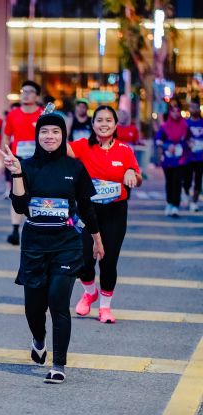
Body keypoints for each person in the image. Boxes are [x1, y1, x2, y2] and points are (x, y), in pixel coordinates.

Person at [0, 112, 104, 384]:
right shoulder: (26, 165)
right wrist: (17, 173)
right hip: (34, 245)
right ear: (37, 136)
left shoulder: (74, 168)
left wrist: (97, 239)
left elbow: (87, 207)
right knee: (33, 309)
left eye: (55, 132)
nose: (50, 136)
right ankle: (38, 338)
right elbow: (19, 207)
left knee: (58, 302)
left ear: (63, 135)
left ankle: (59, 364)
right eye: (44, 132)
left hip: (67, 244)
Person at [68, 105, 142, 323]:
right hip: (86, 211)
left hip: (115, 213)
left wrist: (131, 173)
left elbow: (138, 178)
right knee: (83, 260)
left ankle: (105, 308)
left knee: (108, 261)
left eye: (109, 120)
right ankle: (90, 292)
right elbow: (57, 147)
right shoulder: (83, 146)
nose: (104, 124)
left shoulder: (125, 150)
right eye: (99, 120)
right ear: (92, 124)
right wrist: (48, 124)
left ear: (116, 125)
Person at [0, 80, 43, 244]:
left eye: (29, 91)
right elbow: (6, 137)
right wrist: (1, 159)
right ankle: (15, 230)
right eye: (23, 91)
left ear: (37, 96)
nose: (25, 94)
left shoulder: (43, 114)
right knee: (16, 194)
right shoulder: (13, 114)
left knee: (37, 194)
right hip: (17, 160)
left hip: (38, 161)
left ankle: (36, 227)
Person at [155, 100, 190, 217]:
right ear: (170, 112)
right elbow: (158, 140)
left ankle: (175, 206)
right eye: (173, 111)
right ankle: (169, 203)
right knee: (169, 182)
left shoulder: (185, 126)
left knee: (177, 182)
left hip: (180, 159)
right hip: (168, 159)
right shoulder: (164, 127)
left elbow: (189, 140)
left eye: (178, 111)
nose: (176, 113)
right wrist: (167, 146)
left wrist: (186, 146)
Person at [183, 98, 203, 212]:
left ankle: (194, 203)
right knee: (187, 180)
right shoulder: (186, 123)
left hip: (200, 157)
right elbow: (181, 138)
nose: (193, 109)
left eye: (195, 107)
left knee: (198, 180)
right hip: (188, 157)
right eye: (191, 107)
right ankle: (186, 193)